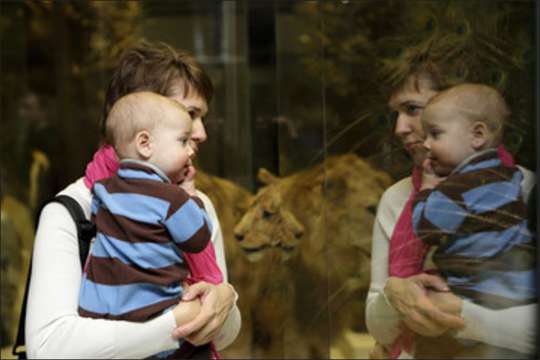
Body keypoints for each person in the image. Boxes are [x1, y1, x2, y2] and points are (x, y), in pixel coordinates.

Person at [26, 42, 241, 359]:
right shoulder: (73, 209)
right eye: (189, 116)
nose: (201, 133)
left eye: (202, 117)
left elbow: (224, 335)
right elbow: (48, 348)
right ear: (142, 133)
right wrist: (171, 325)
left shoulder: (195, 205)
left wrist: (225, 297)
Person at [366, 63, 536, 359]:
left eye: (413, 109)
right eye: (395, 113)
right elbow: (378, 328)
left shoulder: (526, 188)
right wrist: (393, 295)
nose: (399, 128)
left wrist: (458, 313)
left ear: (473, 126)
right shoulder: (395, 198)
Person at [79, 92, 224, 359]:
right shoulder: (172, 199)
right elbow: (198, 238)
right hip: (155, 312)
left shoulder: (102, 190)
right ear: (145, 143)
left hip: (100, 312)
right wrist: (192, 198)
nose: (191, 149)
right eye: (182, 141)